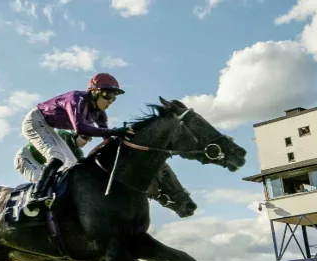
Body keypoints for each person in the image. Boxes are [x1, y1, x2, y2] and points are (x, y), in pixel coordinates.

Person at [13, 130, 196, 217]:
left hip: (46, 161)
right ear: (75, 134)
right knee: (46, 180)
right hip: (27, 158)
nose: (86, 141)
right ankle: (32, 204)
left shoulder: (77, 154)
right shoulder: (64, 136)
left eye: (89, 139)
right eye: (84, 137)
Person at [19, 73, 134, 211]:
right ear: (95, 92)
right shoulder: (76, 99)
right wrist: (115, 132)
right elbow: (80, 128)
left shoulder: (100, 114)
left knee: (72, 165)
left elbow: (108, 139)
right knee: (57, 156)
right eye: (108, 96)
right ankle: (36, 196)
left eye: (114, 98)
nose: (110, 101)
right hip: (35, 121)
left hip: (47, 126)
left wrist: (127, 144)